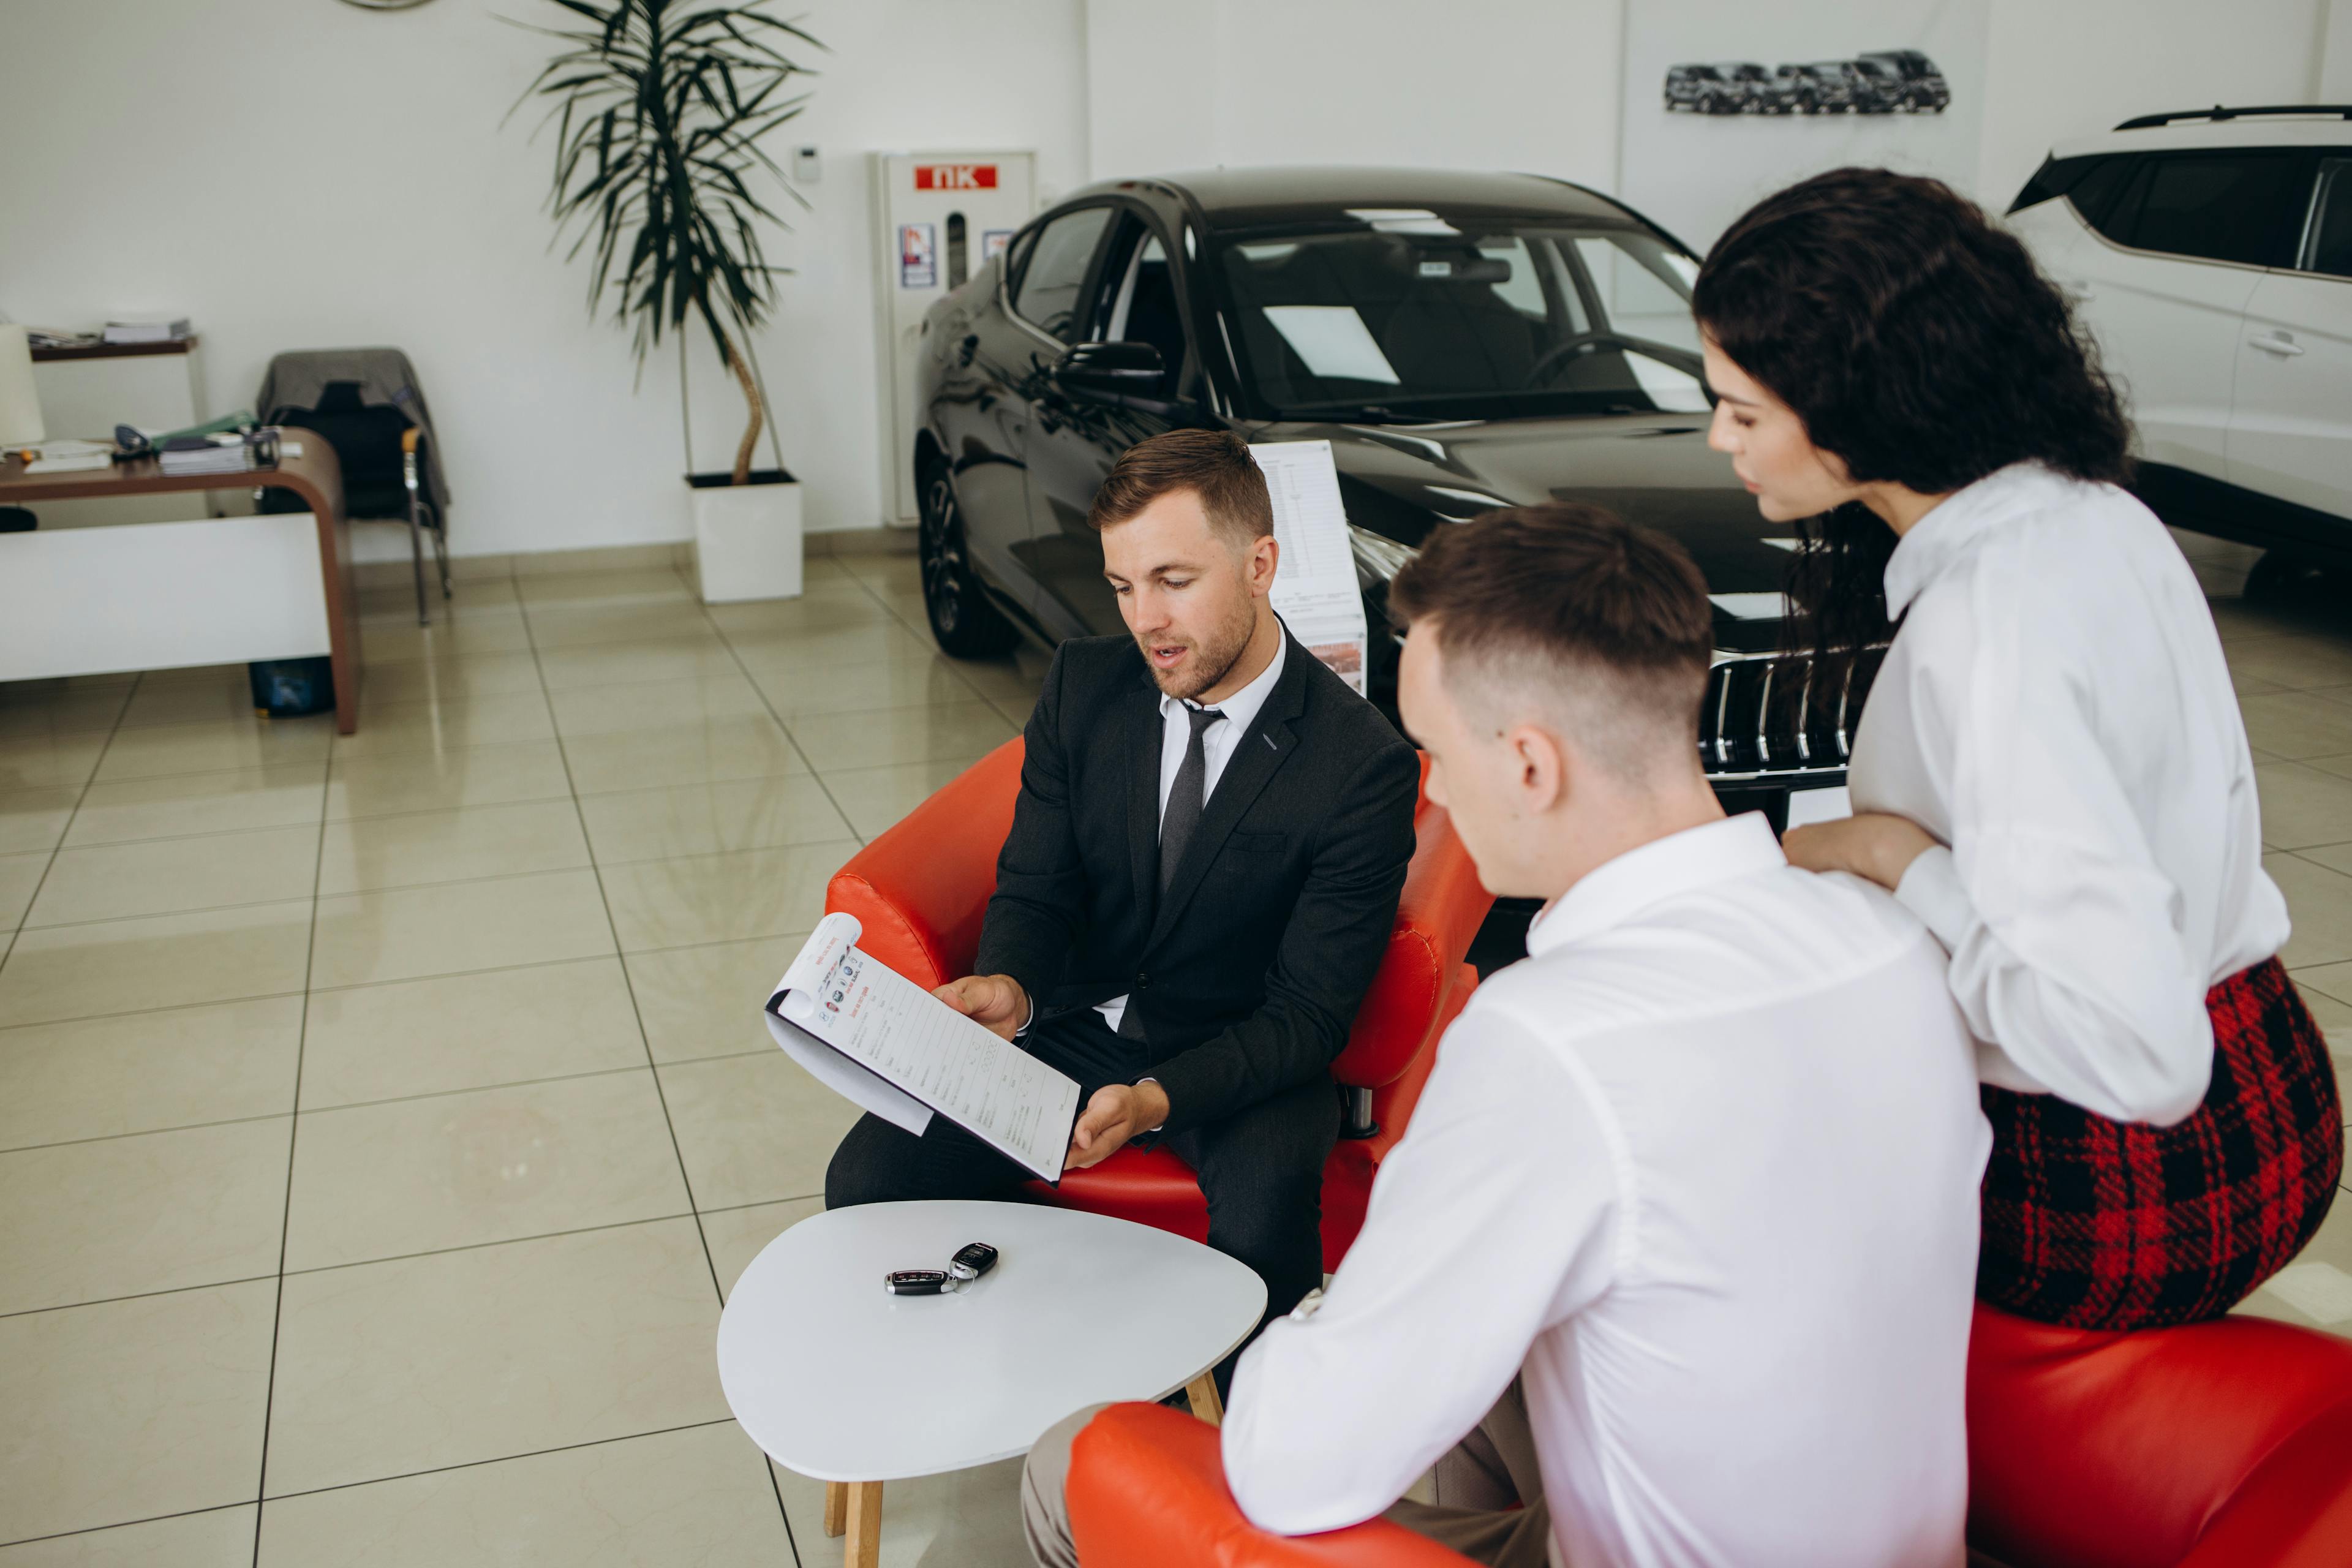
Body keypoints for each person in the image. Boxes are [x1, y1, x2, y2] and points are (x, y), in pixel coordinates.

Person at [1023, 506, 1991, 1568]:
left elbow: (1288, 1464)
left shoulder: (1549, 1041)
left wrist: (1343, 1303)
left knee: (1067, 1461)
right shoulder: (1893, 945)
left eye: (1436, 750)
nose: (1431, 789)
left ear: (1531, 765)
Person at [1694, 167, 2342, 1331]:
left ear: (1863, 403)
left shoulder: (1992, 625)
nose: (1716, 439)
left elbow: (2138, 1058)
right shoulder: (2089, 511)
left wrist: (1900, 860)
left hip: (2118, 1184)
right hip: (2277, 1090)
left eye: (1743, 413)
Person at [825, 427, 1419, 1342]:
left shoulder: (1359, 764)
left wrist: (1155, 1101)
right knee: (867, 1179)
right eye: (1123, 586)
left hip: (1242, 1057)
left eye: (1174, 581)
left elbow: (1306, 1016)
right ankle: (958, 1379)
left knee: (1264, 1227)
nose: (1145, 619)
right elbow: (1037, 887)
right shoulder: (1085, 687)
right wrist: (1013, 984)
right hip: (1076, 1029)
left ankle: (1225, 1450)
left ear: (1260, 564)